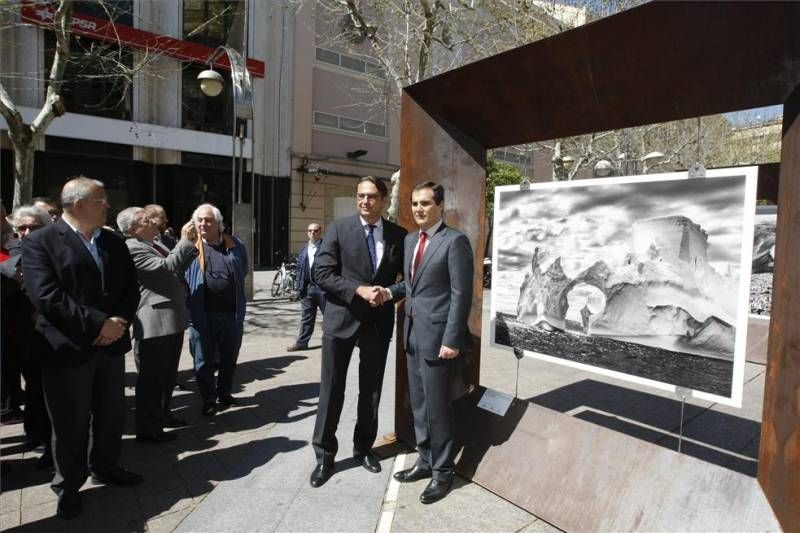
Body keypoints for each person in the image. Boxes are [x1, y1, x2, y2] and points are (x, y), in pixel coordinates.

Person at [22, 177, 142, 519]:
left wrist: (118, 321)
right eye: (100, 200)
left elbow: (130, 289)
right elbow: (47, 296)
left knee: (110, 415)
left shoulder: (114, 243)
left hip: (111, 346)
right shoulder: (41, 243)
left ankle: (106, 467)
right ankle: (68, 486)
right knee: (70, 423)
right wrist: (96, 324)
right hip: (68, 348)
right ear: (78, 205)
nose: (107, 205)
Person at [309, 176, 406, 487]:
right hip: (342, 320)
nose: (365, 201)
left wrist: (389, 292)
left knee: (372, 390)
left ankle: (363, 448)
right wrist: (359, 290)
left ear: (383, 199)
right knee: (332, 388)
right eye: (360, 196)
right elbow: (321, 273)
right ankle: (324, 454)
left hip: (378, 323)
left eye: (372, 196)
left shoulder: (398, 235)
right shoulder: (339, 228)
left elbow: (410, 280)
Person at [388, 181, 473, 504]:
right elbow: (411, 288)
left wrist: (452, 339)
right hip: (412, 335)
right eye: (414, 204)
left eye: (425, 203)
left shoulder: (454, 242)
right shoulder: (411, 241)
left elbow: (460, 295)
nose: (419, 209)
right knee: (420, 404)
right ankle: (424, 460)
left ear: (440, 206)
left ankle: (443, 472)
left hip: (439, 340)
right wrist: (388, 292)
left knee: (438, 407)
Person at [117, 207, 198, 441]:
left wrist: (188, 245)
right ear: (132, 229)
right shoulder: (132, 248)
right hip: (154, 320)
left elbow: (175, 269)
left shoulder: (152, 243)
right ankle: (149, 429)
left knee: (167, 375)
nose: (153, 222)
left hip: (170, 317)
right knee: (152, 378)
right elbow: (165, 267)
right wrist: (183, 240)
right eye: (146, 220)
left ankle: (163, 416)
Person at [185, 204, 249, 417]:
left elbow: (244, 269)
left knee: (229, 357)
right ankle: (208, 399)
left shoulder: (236, 244)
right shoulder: (189, 246)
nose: (203, 224)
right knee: (203, 360)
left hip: (231, 314)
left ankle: (225, 393)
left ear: (219, 224)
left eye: (208, 220)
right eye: (200, 220)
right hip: (202, 315)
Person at [2, 206, 54, 467]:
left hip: (55, 334)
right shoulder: (13, 252)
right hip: (25, 335)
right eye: (21, 228)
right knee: (35, 389)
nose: (26, 232)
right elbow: (10, 266)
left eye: (33, 227)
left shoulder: (57, 249)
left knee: (50, 391)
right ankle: (39, 439)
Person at [287, 223, 326, 352]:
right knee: (306, 317)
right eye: (310, 231)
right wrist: (298, 288)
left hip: (324, 288)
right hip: (307, 288)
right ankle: (302, 343)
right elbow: (299, 269)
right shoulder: (304, 249)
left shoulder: (327, 247)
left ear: (320, 231)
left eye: (315, 230)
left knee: (330, 316)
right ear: (307, 232)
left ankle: (341, 340)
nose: (312, 233)